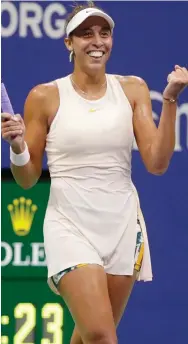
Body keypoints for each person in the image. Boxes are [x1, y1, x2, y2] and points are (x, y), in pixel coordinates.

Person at [1, 2, 188, 343]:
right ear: (69, 43)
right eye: (86, 34)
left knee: (89, 337)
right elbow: (26, 179)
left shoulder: (133, 89)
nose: (97, 41)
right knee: (102, 335)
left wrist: (172, 101)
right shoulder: (44, 97)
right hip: (70, 226)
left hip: (122, 227)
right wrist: (17, 147)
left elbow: (157, 163)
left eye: (104, 33)